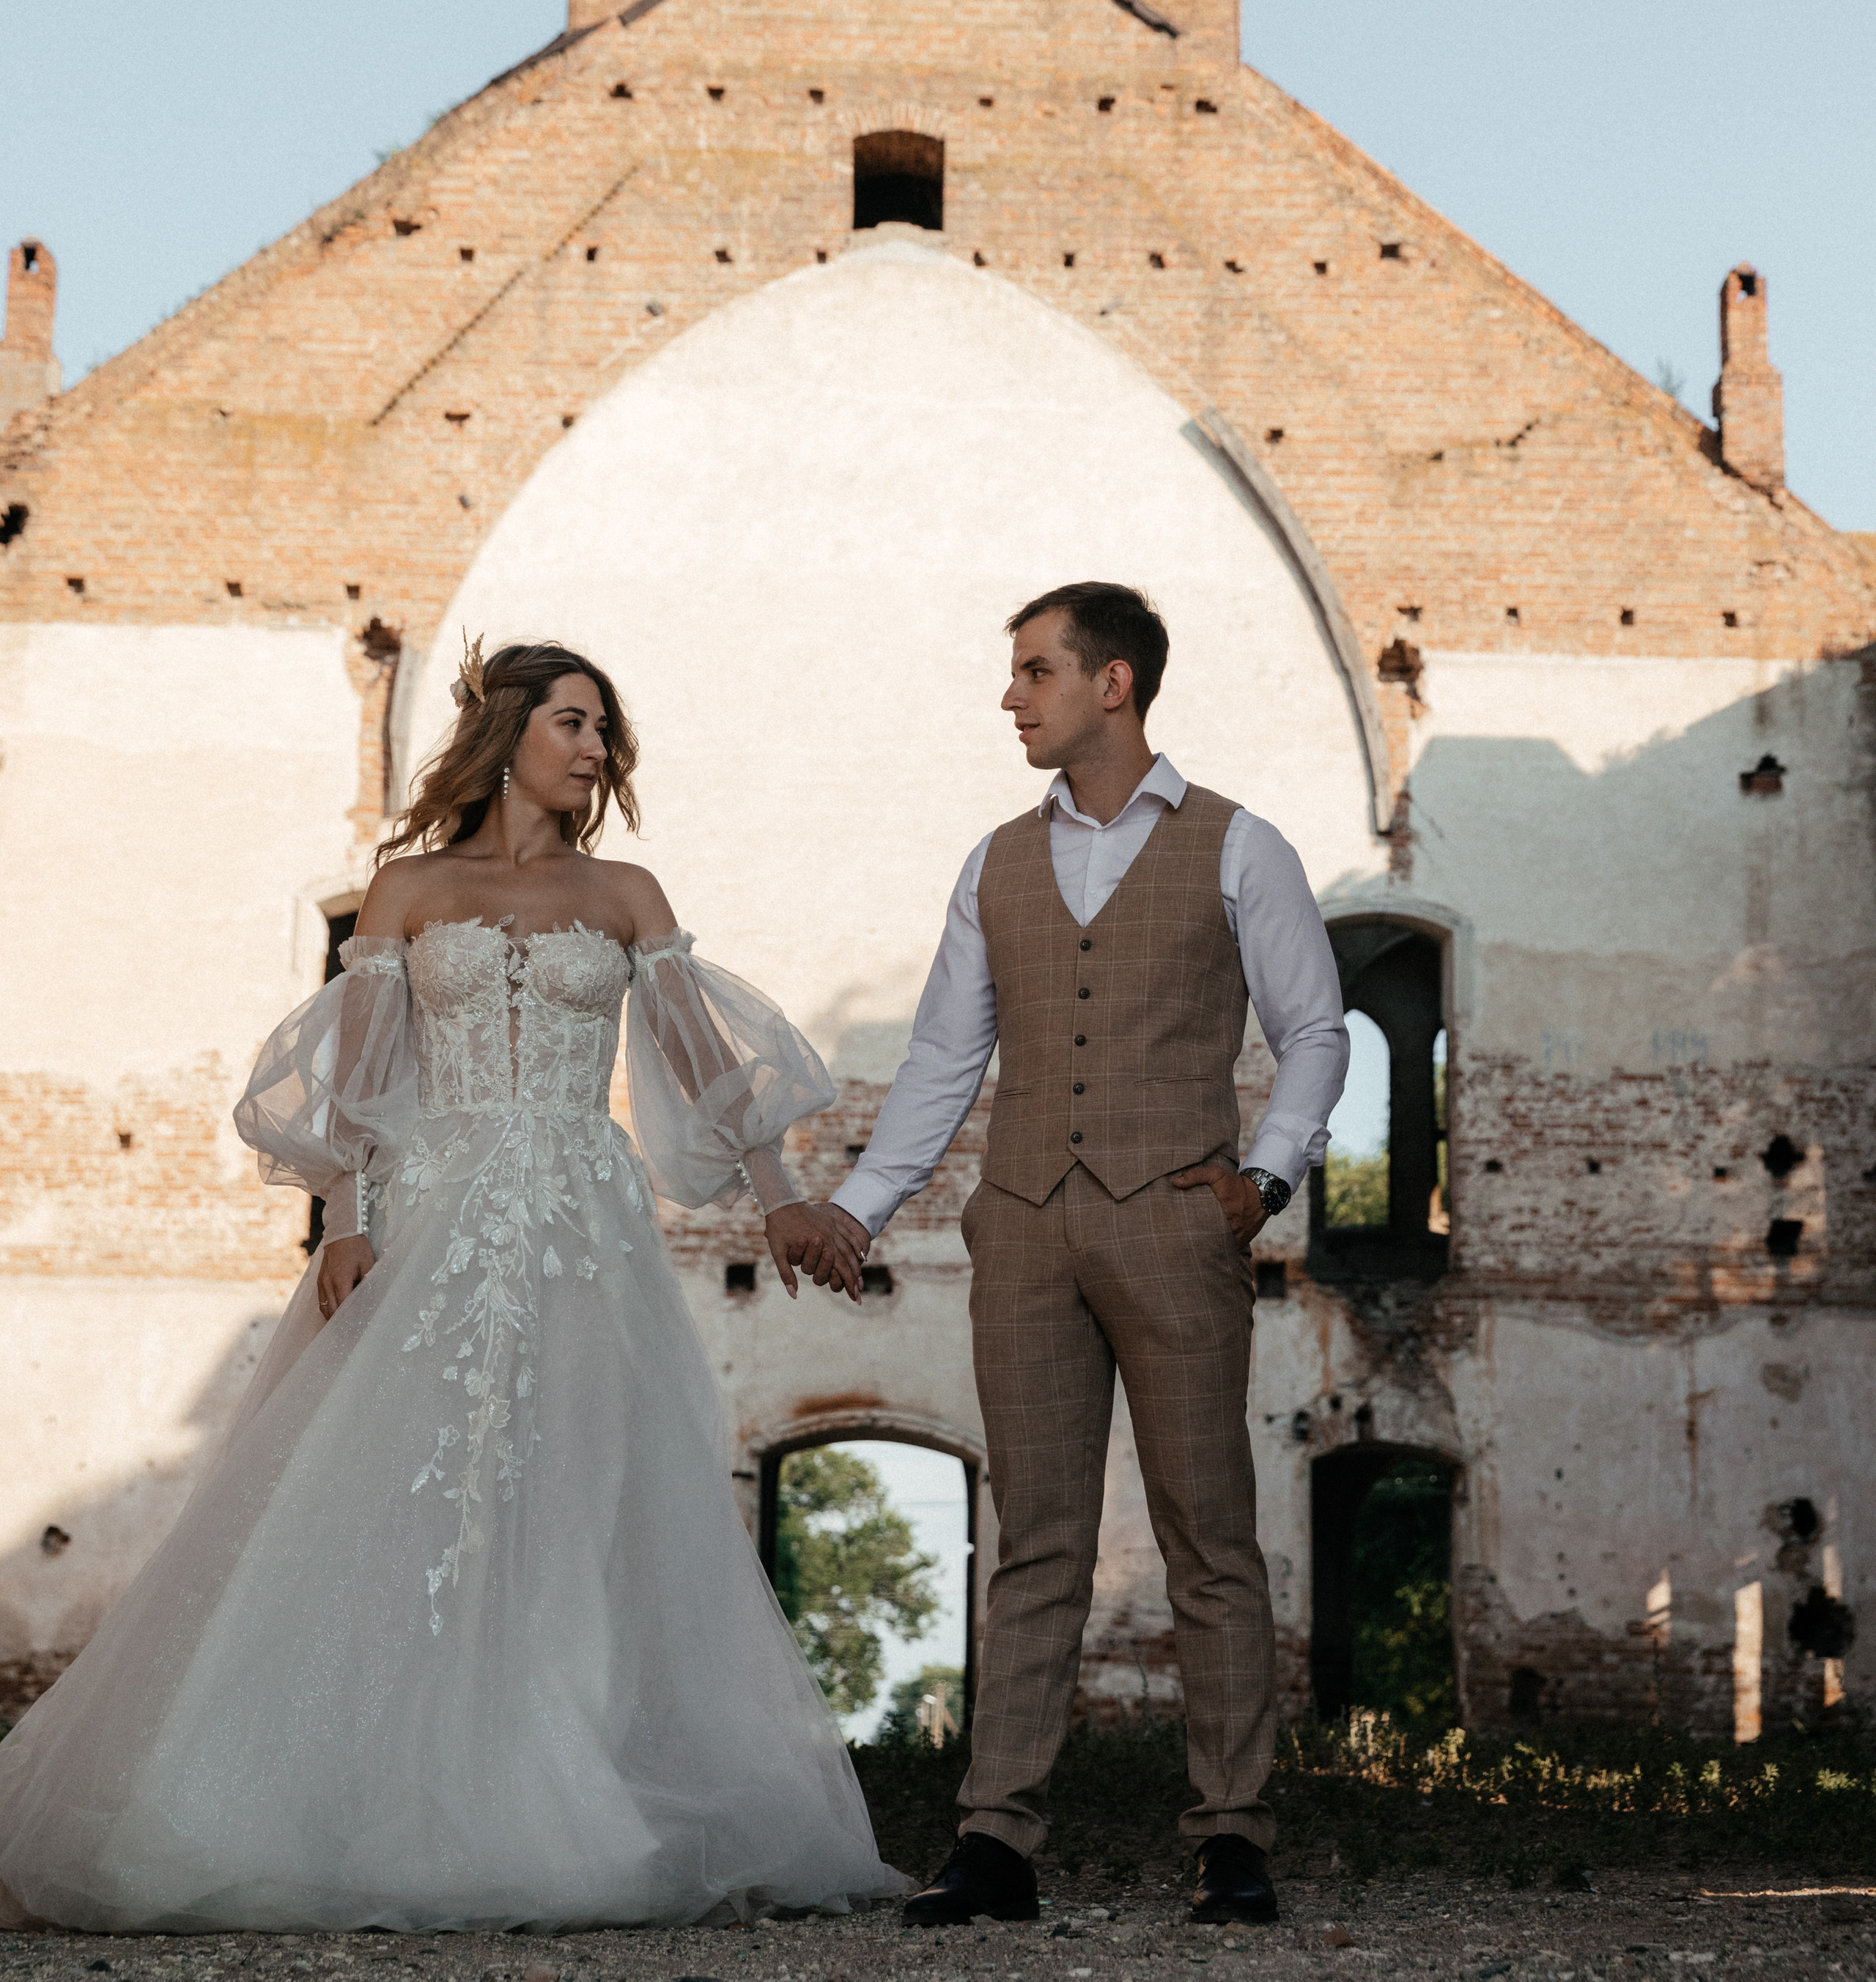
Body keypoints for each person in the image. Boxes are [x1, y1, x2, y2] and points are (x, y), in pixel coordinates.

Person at [0, 638, 901, 1934]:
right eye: (577, 722)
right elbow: (362, 1087)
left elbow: (706, 1069)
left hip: (582, 1224)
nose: (598, 748)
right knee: (396, 1480)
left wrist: (786, 1198)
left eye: (606, 731)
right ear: (509, 732)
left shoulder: (628, 892)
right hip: (432, 1208)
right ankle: (335, 1793)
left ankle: (558, 1781)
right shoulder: (407, 891)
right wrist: (346, 1225)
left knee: (573, 1483)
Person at [788, 583, 1351, 1930]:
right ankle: (995, 1842)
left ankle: (1229, 1837)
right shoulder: (994, 860)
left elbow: (1318, 1031)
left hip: (1177, 1216)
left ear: (1114, 684)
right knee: (1033, 1539)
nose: (1010, 696)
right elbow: (943, 1058)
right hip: (1025, 1222)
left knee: (1208, 1537)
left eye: (1035, 671)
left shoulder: (1238, 845)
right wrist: (863, 1207)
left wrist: (1264, 1179)